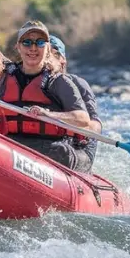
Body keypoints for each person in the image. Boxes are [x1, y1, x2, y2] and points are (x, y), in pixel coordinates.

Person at [0, 20, 92, 171]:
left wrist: (48, 114)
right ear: (18, 47)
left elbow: (83, 119)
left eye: (40, 42)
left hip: (52, 150)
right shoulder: (6, 76)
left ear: (48, 49)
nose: (33, 48)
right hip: (14, 146)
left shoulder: (58, 81)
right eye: (27, 42)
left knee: (60, 153)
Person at [49, 35, 101, 173]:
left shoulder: (78, 84)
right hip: (50, 145)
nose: (49, 58)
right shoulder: (30, 81)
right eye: (46, 53)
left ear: (63, 60)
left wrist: (55, 117)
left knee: (60, 151)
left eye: (54, 54)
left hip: (79, 148)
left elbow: (95, 126)